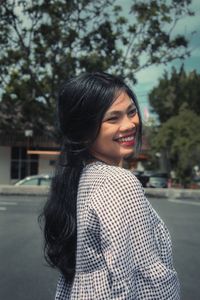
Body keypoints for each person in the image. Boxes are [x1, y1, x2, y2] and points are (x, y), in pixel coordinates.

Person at [40, 72, 180, 299]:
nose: (129, 125)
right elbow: (145, 281)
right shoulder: (118, 182)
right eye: (113, 118)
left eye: (132, 112)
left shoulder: (81, 178)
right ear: (84, 131)